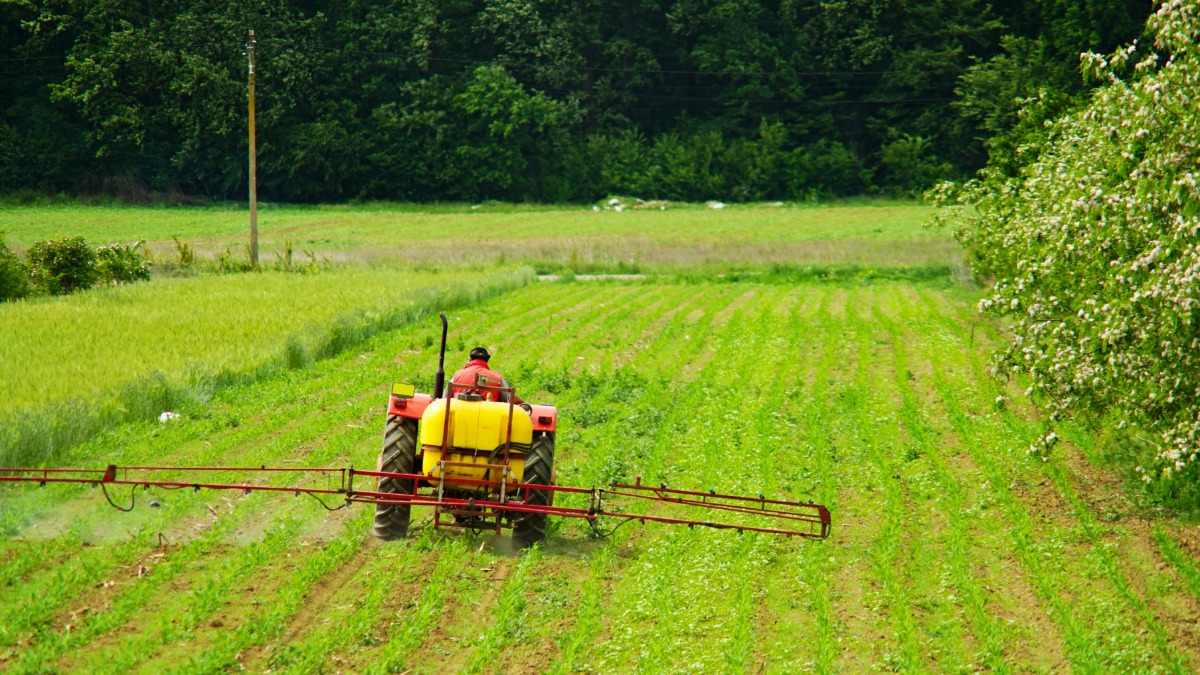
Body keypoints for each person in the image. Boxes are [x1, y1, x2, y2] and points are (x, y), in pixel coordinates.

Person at [450, 347, 525, 406]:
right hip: (488, 420)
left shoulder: (457, 376)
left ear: (470, 360)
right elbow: (510, 398)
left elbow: (443, 399)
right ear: (486, 361)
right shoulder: (497, 378)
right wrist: (522, 401)